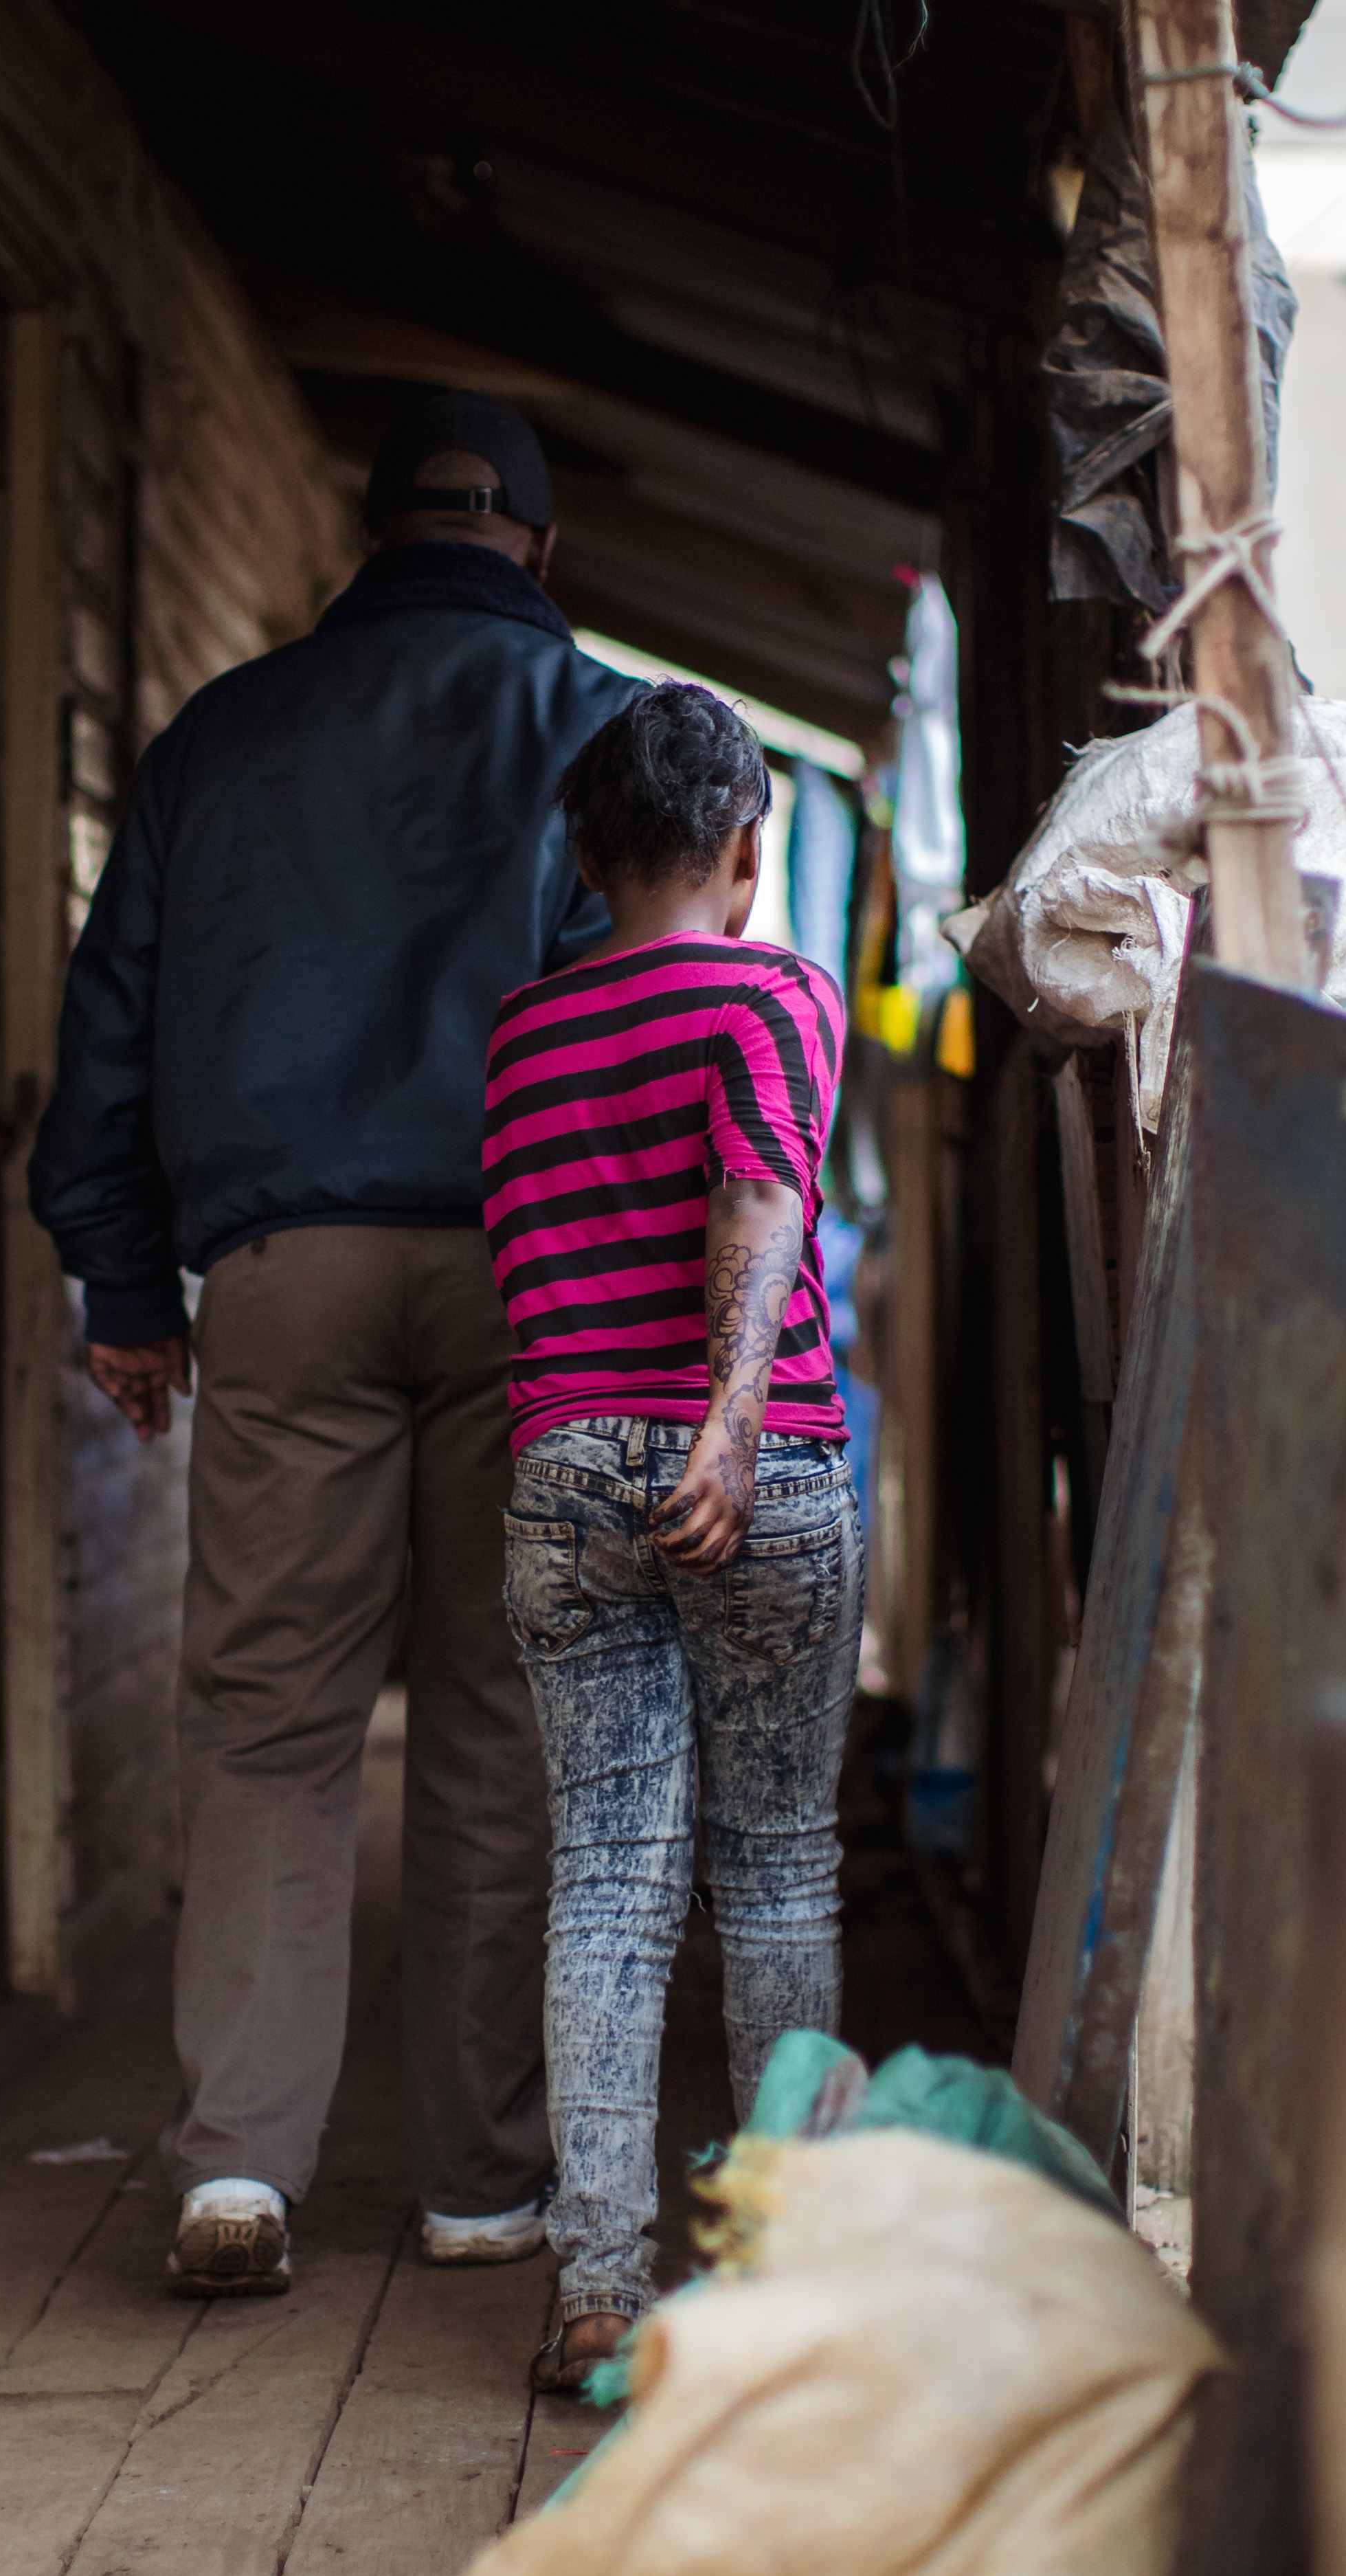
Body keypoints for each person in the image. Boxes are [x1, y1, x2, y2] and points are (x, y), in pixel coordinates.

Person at [30, 391, 640, 2296]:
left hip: (285, 1266)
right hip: (531, 1270)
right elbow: (653, 1018)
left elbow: (110, 1017)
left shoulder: (221, 733)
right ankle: (480, 2183)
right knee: (495, 1716)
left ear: (368, 538)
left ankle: (238, 2169)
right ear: (537, 550)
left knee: (273, 1720)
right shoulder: (604, 730)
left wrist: (127, 1289)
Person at [478, 685, 862, 2390]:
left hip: (563, 1473)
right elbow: (762, 1187)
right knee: (775, 1864)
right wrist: (721, 1425)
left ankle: (597, 2288)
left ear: (582, 851)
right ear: (746, 847)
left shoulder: (519, 1034)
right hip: (748, 1463)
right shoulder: (776, 990)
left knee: (611, 1883)